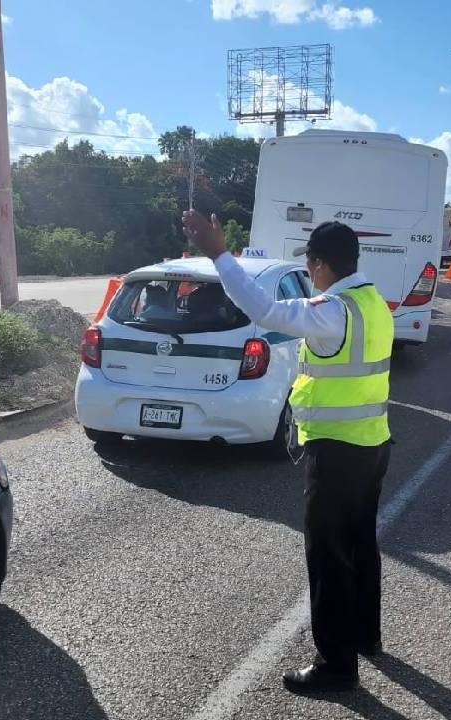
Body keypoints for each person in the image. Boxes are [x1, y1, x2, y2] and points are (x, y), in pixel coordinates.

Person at [181, 210, 393, 693]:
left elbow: (265, 310)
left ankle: (336, 666)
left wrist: (220, 254)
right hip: (372, 444)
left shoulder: (331, 312)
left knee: (328, 557)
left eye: (311, 265)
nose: (311, 272)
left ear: (320, 265)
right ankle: (364, 636)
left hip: (338, 453)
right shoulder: (371, 302)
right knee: (361, 545)